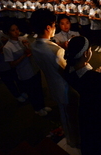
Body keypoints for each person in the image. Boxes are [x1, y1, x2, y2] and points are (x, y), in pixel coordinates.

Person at [30, 9, 79, 147]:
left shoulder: (33, 45)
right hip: (64, 87)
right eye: (54, 25)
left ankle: (71, 138)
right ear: (48, 27)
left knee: (64, 113)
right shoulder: (56, 50)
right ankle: (74, 141)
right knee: (70, 116)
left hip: (51, 83)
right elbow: (68, 72)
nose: (55, 28)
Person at [3, 21, 51, 116]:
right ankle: (37, 109)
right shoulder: (7, 47)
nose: (16, 32)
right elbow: (12, 64)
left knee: (38, 88)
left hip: (34, 68)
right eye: (13, 30)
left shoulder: (23, 39)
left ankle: (42, 105)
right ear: (8, 33)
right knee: (32, 92)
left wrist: (28, 46)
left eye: (17, 29)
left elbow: (32, 51)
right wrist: (23, 56)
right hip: (24, 73)